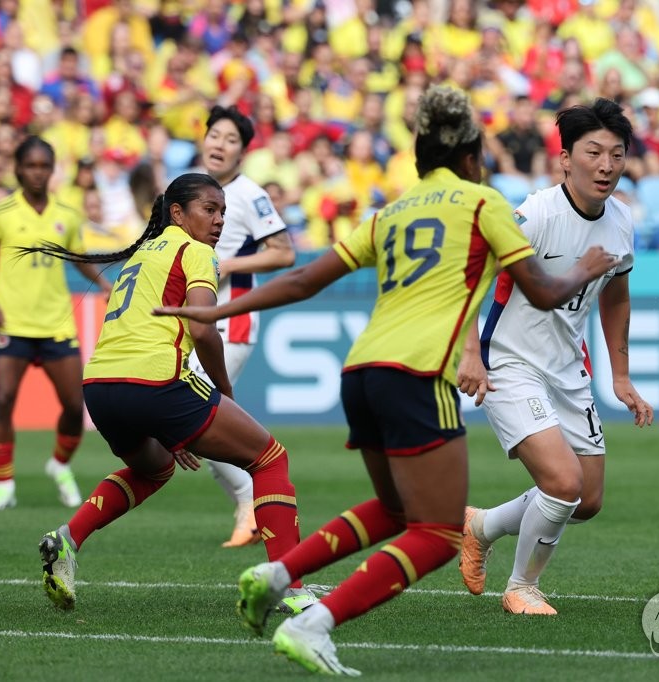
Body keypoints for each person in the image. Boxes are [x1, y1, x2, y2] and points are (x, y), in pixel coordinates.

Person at [154, 86, 618, 675]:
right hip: (419, 374)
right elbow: (545, 291)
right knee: (439, 532)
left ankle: (277, 575)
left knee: (398, 508)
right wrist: (585, 265)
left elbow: (301, 281)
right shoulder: (484, 205)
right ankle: (314, 625)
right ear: (473, 159)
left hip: (363, 371)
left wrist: (216, 311)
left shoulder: (394, 210)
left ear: (420, 159)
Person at [23, 173, 305, 612]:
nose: (218, 221)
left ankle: (68, 538)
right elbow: (203, 329)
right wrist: (223, 394)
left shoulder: (141, 254)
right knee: (270, 458)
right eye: (209, 210)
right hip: (156, 380)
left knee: (154, 469)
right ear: (177, 213)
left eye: (223, 213)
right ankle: (291, 588)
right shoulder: (196, 252)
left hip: (100, 388)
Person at [456, 98, 655, 616]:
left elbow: (616, 293)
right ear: (565, 158)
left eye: (616, 153)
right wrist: (470, 351)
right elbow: (471, 278)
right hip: (509, 363)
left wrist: (622, 374)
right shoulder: (535, 214)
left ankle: (479, 527)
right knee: (562, 484)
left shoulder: (621, 221)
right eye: (593, 152)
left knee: (585, 500)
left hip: (568, 368)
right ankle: (521, 587)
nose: (606, 165)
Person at [191, 105, 296, 548]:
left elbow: (284, 253)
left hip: (230, 320)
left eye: (231, 139)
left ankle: (251, 499)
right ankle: (251, 500)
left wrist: (227, 264)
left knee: (194, 414)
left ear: (243, 151)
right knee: (194, 418)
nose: (220, 144)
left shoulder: (250, 194)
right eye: (215, 135)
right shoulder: (189, 186)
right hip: (192, 317)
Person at [0, 136, 112, 512]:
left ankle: (58, 464)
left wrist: (106, 284)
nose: (38, 172)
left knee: (75, 406)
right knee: (3, 400)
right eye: (31, 166)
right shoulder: (2, 213)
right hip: (12, 322)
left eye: (45, 166)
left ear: (53, 169)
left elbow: (78, 257)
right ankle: (5, 484)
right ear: (18, 169)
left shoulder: (67, 214)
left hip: (57, 323)